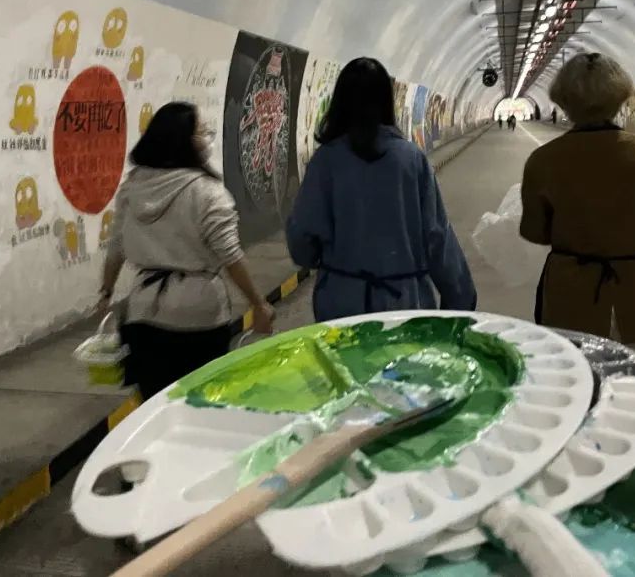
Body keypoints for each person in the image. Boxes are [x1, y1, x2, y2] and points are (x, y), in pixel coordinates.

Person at [519, 53, 635, 372]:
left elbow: (535, 231)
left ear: (563, 101)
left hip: (570, 301)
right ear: (619, 98)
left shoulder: (543, 160)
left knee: (580, 390)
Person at [95, 102, 274, 399]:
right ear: (185, 141)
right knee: (200, 399)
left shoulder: (132, 187)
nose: (206, 137)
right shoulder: (207, 192)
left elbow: (116, 247)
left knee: (155, 402)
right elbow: (230, 256)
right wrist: (258, 304)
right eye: (201, 131)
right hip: (199, 312)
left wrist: (106, 292)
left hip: (143, 311)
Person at [286, 57, 477, 321]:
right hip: (404, 304)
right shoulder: (412, 160)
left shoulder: (325, 162)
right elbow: (438, 238)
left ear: (339, 102)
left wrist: (320, 258)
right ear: (387, 101)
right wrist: (459, 300)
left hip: (341, 305)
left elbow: (302, 239)